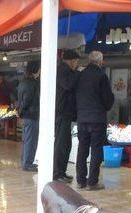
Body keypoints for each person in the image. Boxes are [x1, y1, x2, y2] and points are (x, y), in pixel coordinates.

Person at [75, 51, 114, 191]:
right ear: (101, 61)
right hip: (97, 119)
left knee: (82, 149)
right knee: (96, 150)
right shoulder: (101, 76)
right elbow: (108, 99)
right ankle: (92, 182)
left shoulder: (80, 75)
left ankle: (80, 180)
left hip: (82, 118)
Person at [53, 49, 81, 183]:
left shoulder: (66, 71)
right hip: (62, 112)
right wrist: (77, 73)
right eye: (76, 61)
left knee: (66, 144)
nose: (77, 64)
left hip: (66, 113)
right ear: (71, 60)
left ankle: (62, 172)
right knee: (61, 144)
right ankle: (57, 174)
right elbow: (68, 85)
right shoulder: (62, 70)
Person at [18, 61, 41, 172]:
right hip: (32, 115)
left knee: (26, 139)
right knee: (31, 140)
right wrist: (22, 111)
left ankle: (24, 161)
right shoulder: (32, 83)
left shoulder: (23, 82)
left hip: (26, 115)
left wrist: (20, 111)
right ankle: (27, 163)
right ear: (36, 70)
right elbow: (27, 100)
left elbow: (21, 99)